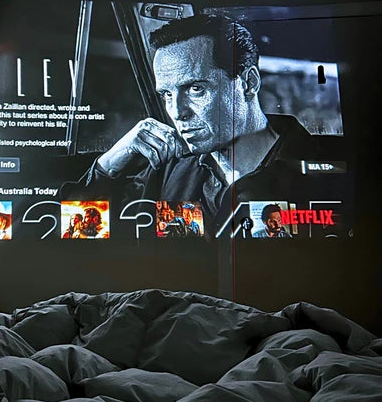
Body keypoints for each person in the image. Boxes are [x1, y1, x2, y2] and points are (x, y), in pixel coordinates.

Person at [62, 14, 330, 237]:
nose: (177, 113)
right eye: (167, 95)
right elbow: (80, 235)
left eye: (195, 89)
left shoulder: (320, 172)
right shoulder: (166, 169)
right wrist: (106, 167)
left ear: (248, 83)